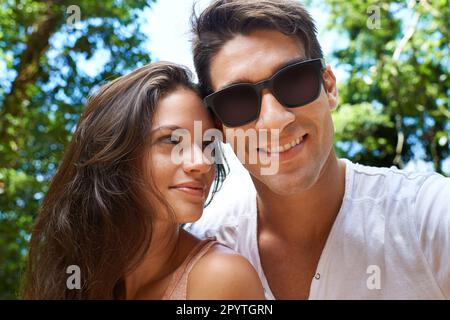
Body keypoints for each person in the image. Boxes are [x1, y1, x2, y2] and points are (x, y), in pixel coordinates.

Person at [186, 0, 450, 299]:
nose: (275, 120)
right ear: (219, 126)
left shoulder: (427, 217)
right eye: (238, 101)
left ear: (330, 87)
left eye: (294, 80)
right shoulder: (200, 252)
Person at [23, 62, 265, 300]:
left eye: (207, 145)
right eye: (172, 140)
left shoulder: (221, 277)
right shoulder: (75, 274)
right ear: (117, 154)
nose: (202, 162)